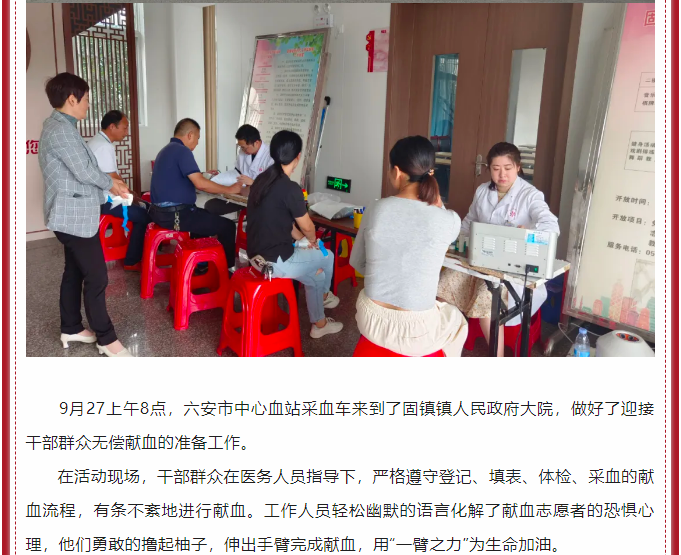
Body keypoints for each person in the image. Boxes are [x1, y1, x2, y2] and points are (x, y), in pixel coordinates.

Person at [39, 72, 133, 357]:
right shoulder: (61, 130)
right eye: (87, 99)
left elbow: (82, 170)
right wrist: (112, 184)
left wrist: (111, 185)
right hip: (73, 217)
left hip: (71, 214)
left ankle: (71, 327)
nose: (88, 104)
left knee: (74, 271)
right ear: (72, 99)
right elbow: (83, 171)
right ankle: (106, 338)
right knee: (97, 276)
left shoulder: (61, 126)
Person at [437, 141, 560, 356]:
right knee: (442, 286)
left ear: (518, 167)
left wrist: (529, 233)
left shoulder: (530, 195)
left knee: (488, 300)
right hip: (479, 261)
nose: (502, 174)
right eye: (496, 168)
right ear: (489, 169)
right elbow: (469, 222)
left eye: (508, 168)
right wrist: (452, 240)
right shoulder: (482, 191)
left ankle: (498, 357)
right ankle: (441, 345)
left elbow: (551, 226)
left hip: (510, 269)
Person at [349, 136, 468, 356]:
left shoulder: (375, 208)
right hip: (417, 332)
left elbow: (358, 262)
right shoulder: (449, 220)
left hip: (369, 319)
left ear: (396, 172)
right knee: (458, 322)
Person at [246, 130, 343, 339]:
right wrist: (312, 240)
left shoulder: (262, 180)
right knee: (327, 256)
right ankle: (325, 295)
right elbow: (307, 227)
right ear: (297, 157)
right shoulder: (290, 188)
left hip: (255, 257)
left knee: (316, 276)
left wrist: (303, 241)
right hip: (276, 261)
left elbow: (285, 222)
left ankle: (320, 324)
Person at [149, 118, 241, 269]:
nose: (197, 143)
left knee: (203, 218)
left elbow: (181, 176)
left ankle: (199, 264)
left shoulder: (166, 150)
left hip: (160, 212)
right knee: (228, 226)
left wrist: (202, 174)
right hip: (175, 215)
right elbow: (200, 184)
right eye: (197, 138)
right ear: (190, 135)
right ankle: (226, 271)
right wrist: (230, 189)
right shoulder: (182, 151)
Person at [88, 110, 151, 270]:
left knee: (143, 207)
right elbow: (113, 177)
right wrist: (130, 194)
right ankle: (132, 261)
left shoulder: (97, 141)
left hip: (101, 197)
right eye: (124, 127)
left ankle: (133, 249)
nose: (126, 132)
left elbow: (112, 177)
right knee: (144, 215)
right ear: (112, 126)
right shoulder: (103, 146)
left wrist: (130, 193)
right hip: (105, 200)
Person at [204, 124, 274, 216]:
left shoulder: (271, 155)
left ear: (256, 143)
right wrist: (220, 178)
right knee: (211, 206)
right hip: (242, 194)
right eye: (241, 147)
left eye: (244, 147)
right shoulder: (243, 151)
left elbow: (272, 184)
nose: (242, 150)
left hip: (260, 198)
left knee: (256, 216)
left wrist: (253, 182)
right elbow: (237, 172)